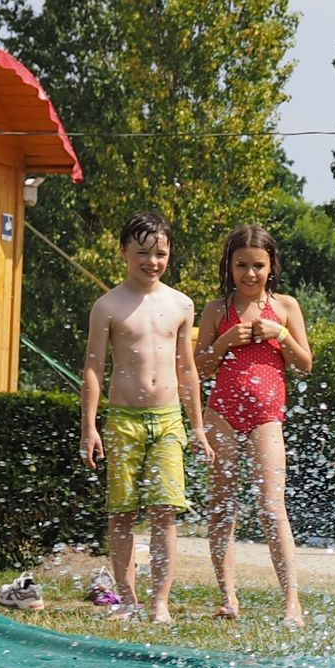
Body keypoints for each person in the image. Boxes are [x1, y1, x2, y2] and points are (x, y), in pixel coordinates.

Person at [79, 211, 213, 624]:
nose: (151, 262)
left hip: (169, 418)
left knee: (164, 512)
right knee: (121, 513)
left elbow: (187, 369)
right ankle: (126, 598)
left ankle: (159, 603)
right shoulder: (108, 306)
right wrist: (89, 428)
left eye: (160, 254)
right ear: (124, 252)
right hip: (124, 420)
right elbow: (92, 368)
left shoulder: (181, 304)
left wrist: (198, 427)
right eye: (142, 253)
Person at [193, 224, 314, 627]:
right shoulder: (215, 310)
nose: (249, 274)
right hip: (222, 415)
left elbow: (305, 364)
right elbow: (200, 367)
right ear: (228, 266)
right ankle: (228, 597)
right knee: (222, 506)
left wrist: (280, 334)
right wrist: (225, 341)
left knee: (271, 507)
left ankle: (291, 602)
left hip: (267, 418)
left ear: (271, 266)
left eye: (257, 266)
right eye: (241, 265)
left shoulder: (285, 308)